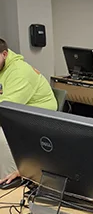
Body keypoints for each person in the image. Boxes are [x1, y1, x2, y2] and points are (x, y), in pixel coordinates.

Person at [0, 38, 57, 183]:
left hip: (39, 119)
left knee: (1, 134)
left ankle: (9, 181)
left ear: (4, 54)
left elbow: (6, 108)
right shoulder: (2, 68)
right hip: (19, 117)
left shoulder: (20, 72)